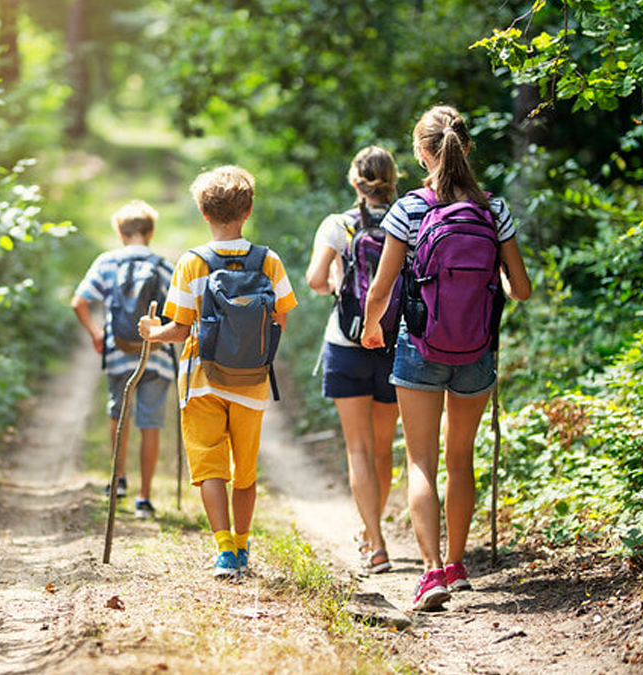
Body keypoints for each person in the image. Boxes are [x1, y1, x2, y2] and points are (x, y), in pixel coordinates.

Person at [361, 106, 532, 610]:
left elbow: (380, 289)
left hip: (420, 345)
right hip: (476, 350)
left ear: (420, 152)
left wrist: (373, 328)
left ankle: (431, 572)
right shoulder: (493, 209)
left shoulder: (410, 209)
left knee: (420, 461)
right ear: (466, 146)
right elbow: (521, 289)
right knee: (461, 458)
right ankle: (458, 566)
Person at [139, 166, 298, 577]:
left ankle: (224, 549)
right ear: (248, 211)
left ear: (203, 213)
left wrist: (151, 333)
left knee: (210, 466)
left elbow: (179, 328)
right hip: (252, 382)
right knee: (245, 471)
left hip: (201, 380)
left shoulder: (192, 263)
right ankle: (244, 546)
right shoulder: (269, 261)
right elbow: (281, 317)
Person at [304, 146, 400, 575]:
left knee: (357, 449)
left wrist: (339, 292)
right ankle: (371, 530)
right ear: (393, 179)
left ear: (354, 181)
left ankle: (374, 543)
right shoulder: (408, 219)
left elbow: (314, 279)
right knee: (383, 449)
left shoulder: (338, 224)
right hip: (395, 343)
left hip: (346, 343)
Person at [71, 200, 175, 518]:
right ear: (151, 231)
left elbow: (79, 302)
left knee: (119, 415)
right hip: (155, 355)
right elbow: (180, 312)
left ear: (120, 232)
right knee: (151, 423)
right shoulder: (163, 265)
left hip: (118, 353)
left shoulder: (107, 263)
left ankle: (117, 480)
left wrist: (96, 334)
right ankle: (144, 497)